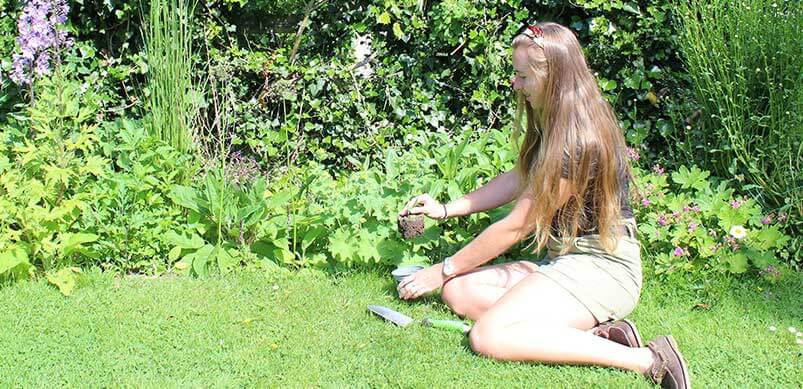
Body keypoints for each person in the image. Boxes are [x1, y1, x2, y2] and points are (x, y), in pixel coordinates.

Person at [397, 22, 690, 389]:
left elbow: (517, 225)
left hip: (603, 267)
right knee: (459, 292)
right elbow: (520, 177)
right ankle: (598, 335)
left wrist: (443, 268)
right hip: (564, 260)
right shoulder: (554, 119)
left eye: (522, 76)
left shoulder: (579, 139)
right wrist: (445, 209)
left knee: (488, 335)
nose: (515, 85)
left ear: (551, 74)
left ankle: (647, 358)